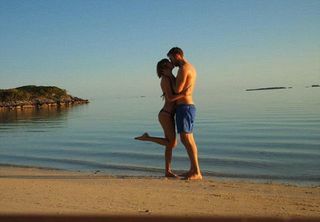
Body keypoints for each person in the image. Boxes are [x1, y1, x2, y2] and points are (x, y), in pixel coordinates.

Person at [135, 59, 189, 178]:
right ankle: (147, 138)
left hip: (169, 114)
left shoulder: (170, 77)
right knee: (171, 144)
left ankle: (167, 171)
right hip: (166, 115)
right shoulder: (165, 79)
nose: (171, 62)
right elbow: (170, 98)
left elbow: (175, 90)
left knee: (170, 144)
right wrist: (184, 94)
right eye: (169, 62)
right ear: (165, 66)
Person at [167, 47, 202, 180]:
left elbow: (177, 89)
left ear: (177, 55)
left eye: (171, 58)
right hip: (187, 106)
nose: (171, 61)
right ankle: (193, 170)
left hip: (185, 107)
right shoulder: (190, 67)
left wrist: (170, 75)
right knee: (188, 139)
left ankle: (196, 172)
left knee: (186, 139)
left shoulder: (183, 68)